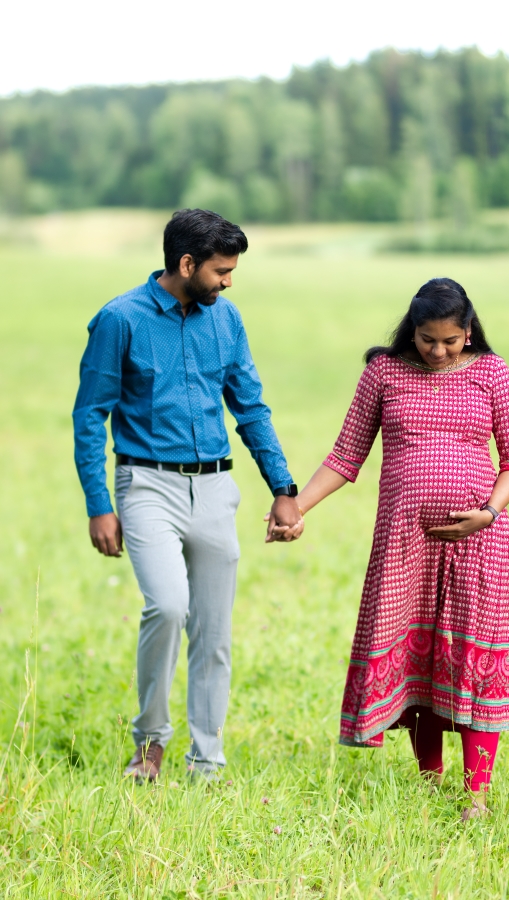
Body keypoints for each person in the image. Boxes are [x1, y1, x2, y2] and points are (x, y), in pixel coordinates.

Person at [284, 278, 509, 819]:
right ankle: (427, 780)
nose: (437, 352)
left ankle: (477, 796)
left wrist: (487, 512)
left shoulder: (494, 373)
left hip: (480, 543)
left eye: (449, 341)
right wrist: (296, 506)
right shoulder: (384, 373)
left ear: (468, 331)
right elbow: (345, 457)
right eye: (426, 340)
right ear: (411, 332)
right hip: (405, 547)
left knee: (469, 655)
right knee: (420, 657)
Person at [73, 209, 302, 782]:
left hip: (215, 489)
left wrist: (284, 488)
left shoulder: (226, 321)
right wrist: (99, 503)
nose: (228, 281)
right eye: (222, 271)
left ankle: (207, 761)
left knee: (214, 632)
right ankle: (149, 742)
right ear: (186, 263)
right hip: (146, 485)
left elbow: (250, 407)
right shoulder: (119, 320)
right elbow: (88, 416)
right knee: (168, 605)